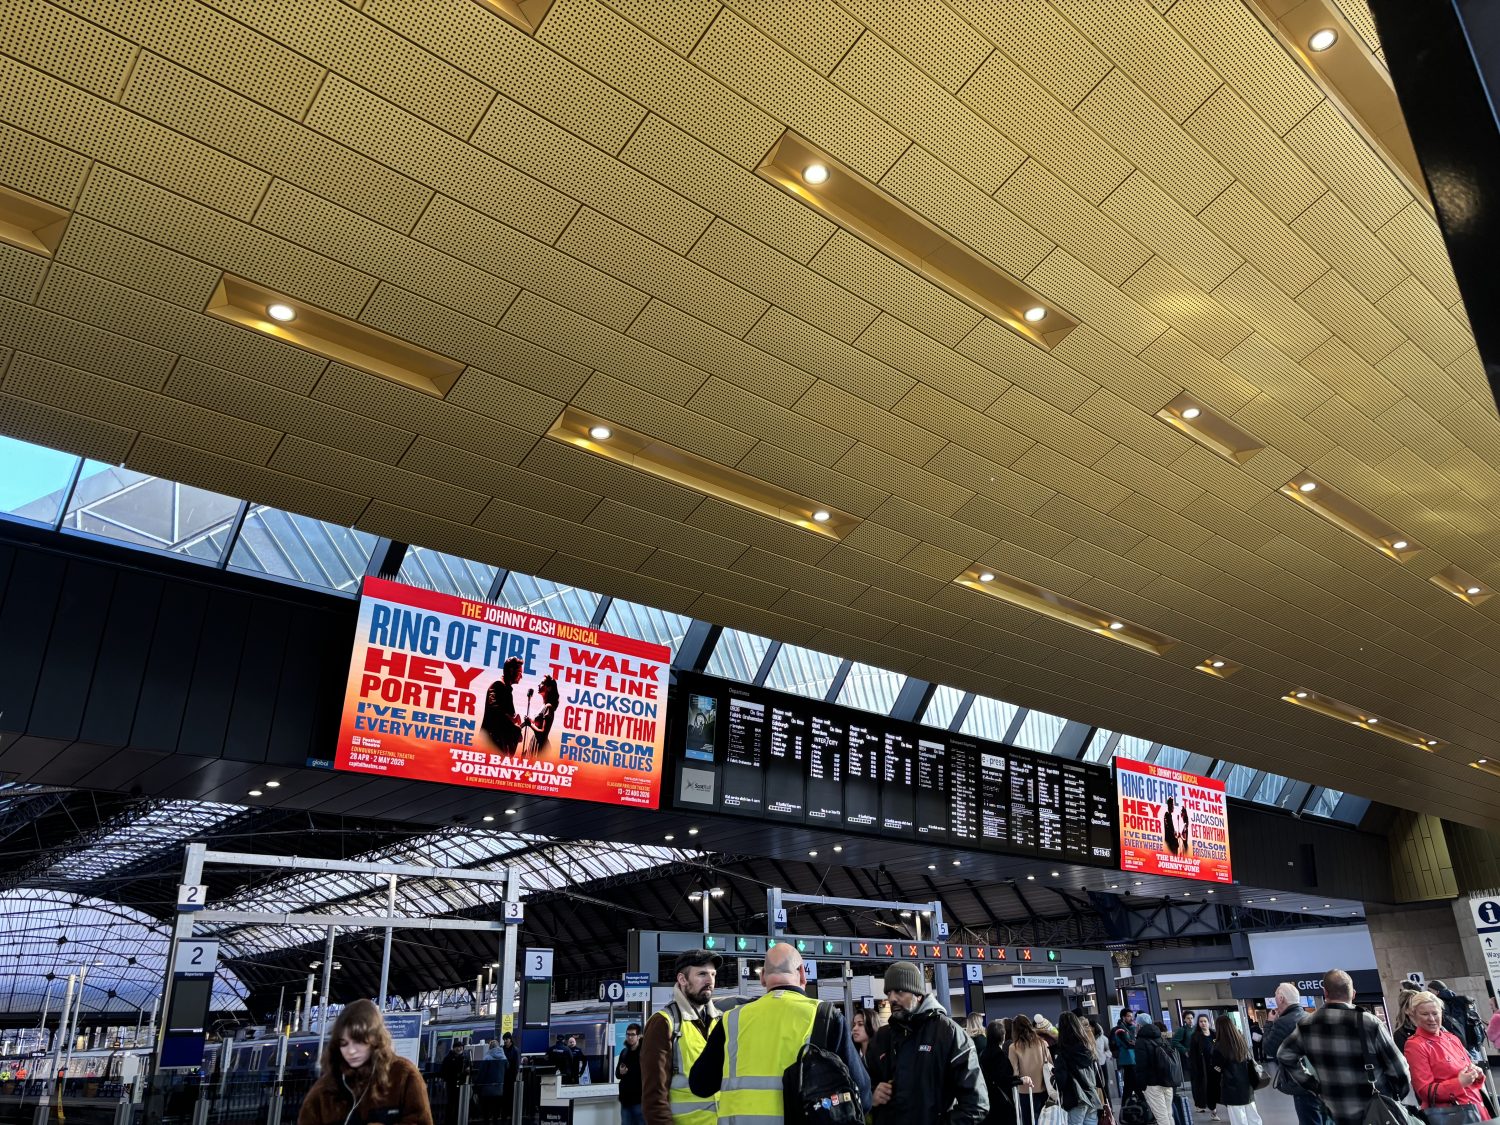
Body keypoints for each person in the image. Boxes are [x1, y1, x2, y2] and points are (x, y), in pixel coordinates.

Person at [688, 942, 871, 1121]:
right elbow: (862, 1095)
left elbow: (700, 1085)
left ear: (763, 978)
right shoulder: (824, 1016)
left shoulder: (731, 1020)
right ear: (801, 973)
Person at [1275, 970, 1410, 1125]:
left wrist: (1313, 1086)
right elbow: (1399, 1069)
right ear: (1353, 994)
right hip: (1375, 1110)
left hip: (1335, 1110)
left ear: (1325, 992)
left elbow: (1284, 1055)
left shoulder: (1307, 1025)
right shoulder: (1369, 1022)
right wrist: (1396, 1095)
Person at [865, 961, 985, 1125]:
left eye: (899, 991)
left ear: (918, 994)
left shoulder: (948, 1034)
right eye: (889, 992)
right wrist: (870, 1095)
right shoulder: (881, 1038)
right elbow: (861, 1086)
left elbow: (976, 1104)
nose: (892, 998)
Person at [297, 999, 433, 1125]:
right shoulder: (326, 1087)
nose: (351, 1051)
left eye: (358, 1041)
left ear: (376, 1039)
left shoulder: (404, 1075)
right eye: (344, 1044)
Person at [643, 949, 723, 1125]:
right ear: (682, 979)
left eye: (713, 974)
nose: (710, 981)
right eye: (702, 974)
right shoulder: (663, 1023)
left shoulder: (722, 1021)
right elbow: (654, 1097)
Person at [1403, 990, 1489, 1120]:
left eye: (1435, 1013)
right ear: (1414, 1016)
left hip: (1476, 1109)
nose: (1431, 1018)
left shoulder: (1452, 1038)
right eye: (1425, 1014)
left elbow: (1467, 1072)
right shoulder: (1415, 1045)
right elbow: (1425, 1092)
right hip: (1453, 1115)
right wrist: (1459, 1083)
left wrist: (1476, 1074)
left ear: (1441, 1013)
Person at [1262, 984, 1326, 1125]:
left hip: (1301, 1082)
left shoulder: (1283, 1022)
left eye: (1275, 997)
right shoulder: (1310, 1017)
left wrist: (1269, 1023)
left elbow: (1268, 1049)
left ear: (1281, 998)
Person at [1052, 1013, 1104, 1125]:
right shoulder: (1088, 1047)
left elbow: (1062, 1080)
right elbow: (1098, 1074)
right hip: (1092, 1096)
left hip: (1076, 1098)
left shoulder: (1063, 1052)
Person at [1211, 1016, 1262, 1125]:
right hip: (1247, 1085)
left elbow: (1217, 1067)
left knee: (1238, 1120)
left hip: (1231, 1087)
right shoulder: (1240, 1041)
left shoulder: (1219, 1047)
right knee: (1253, 1116)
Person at [1133, 1021, 1180, 1125]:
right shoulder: (1161, 1039)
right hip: (1167, 1082)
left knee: (1161, 1117)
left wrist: (1141, 1085)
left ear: (1140, 1027)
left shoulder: (1141, 1042)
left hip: (1152, 1084)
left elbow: (1141, 1065)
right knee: (1168, 1114)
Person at [1008, 1014, 1051, 1125]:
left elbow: (1014, 1072)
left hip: (1025, 1090)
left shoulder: (1014, 1047)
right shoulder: (1042, 1043)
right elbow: (1050, 1065)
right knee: (1044, 1120)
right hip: (1044, 1089)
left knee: (1028, 1121)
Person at [980, 1021, 1021, 1125]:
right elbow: (1003, 1079)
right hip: (1001, 1102)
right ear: (1002, 1036)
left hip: (987, 1101)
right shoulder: (999, 1055)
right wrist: (1019, 1080)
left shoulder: (983, 1054)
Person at [482, 658, 524, 753]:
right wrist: (512, 721)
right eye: (520, 673)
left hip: (500, 744)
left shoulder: (507, 688)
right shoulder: (498, 685)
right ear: (511, 670)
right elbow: (494, 709)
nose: (521, 677)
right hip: (492, 743)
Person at [1189, 1014, 1220, 1120]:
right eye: (1201, 1021)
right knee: (1208, 1089)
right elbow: (1193, 1054)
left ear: (1209, 1022)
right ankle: (1213, 1111)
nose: (1203, 1023)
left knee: (1218, 1088)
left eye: (1205, 1021)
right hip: (1203, 1068)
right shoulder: (1196, 1036)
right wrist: (1194, 1069)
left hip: (1216, 1067)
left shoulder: (1215, 1034)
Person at [476, 1039, 509, 1125]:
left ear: (489, 1047)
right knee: (495, 1113)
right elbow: (507, 1070)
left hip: (487, 1090)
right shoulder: (504, 1058)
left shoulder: (487, 1057)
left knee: (486, 1113)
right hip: (499, 1089)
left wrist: (477, 1086)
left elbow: (482, 1073)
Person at [617, 1023, 644, 1125]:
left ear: (639, 1036)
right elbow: (617, 1074)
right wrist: (620, 1072)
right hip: (625, 1100)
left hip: (639, 1100)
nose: (629, 1037)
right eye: (628, 1034)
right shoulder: (624, 1052)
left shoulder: (644, 1053)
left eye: (632, 1034)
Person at [526, 675, 560, 753]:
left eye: (542, 683)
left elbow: (543, 734)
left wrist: (530, 724)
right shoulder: (543, 706)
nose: (539, 685)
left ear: (549, 688)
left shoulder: (549, 707)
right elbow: (538, 724)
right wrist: (531, 721)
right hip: (535, 742)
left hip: (540, 747)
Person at [441, 1041, 472, 1125]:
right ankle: (449, 1121)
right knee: (451, 1104)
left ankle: (457, 1120)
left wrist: (467, 1071)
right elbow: (444, 1072)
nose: (459, 1048)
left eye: (461, 1046)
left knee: (459, 1104)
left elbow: (469, 1069)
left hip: (461, 1085)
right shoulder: (448, 1058)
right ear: (453, 1048)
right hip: (451, 1084)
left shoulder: (465, 1058)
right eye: (457, 1047)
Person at [1114, 1011, 1140, 1096]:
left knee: (1130, 1085)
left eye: (1131, 1016)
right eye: (1129, 1016)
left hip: (1132, 1059)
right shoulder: (1120, 1030)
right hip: (1127, 1059)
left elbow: (1133, 1042)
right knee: (1133, 1083)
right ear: (1123, 1017)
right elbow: (1127, 1044)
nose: (1131, 1018)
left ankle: (1126, 1105)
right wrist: (1134, 1043)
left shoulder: (1131, 1028)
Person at [501, 1033, 519, 1112]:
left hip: (511, 1076)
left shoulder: (515, 1050)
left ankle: (510, 1112)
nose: (505, 1041)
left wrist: (514, 1076)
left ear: (510, 1040)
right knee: (504, 1095)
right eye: (504, 1039)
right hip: (503, 1076)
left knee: (510, 1095)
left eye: (506, 1039)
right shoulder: (502, 1049)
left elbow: (516, 1064)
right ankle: (504, 1112)